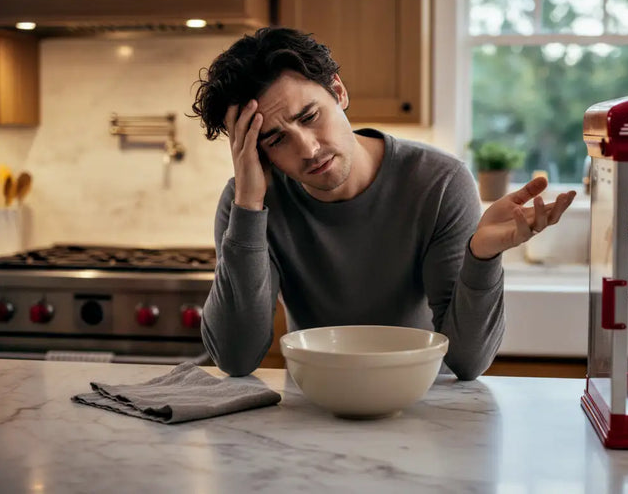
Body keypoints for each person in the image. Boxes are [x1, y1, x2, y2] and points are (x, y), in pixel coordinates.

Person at [192, 27, 576, 380]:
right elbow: (236, 357)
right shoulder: (249, 204)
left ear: (338, 92)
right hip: (314, 406)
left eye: (310, 116)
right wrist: (247, 206)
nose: (307, 149)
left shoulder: (438, 183)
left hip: (422, 406)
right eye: (276, 139)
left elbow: (467, 362)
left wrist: (483, 256)